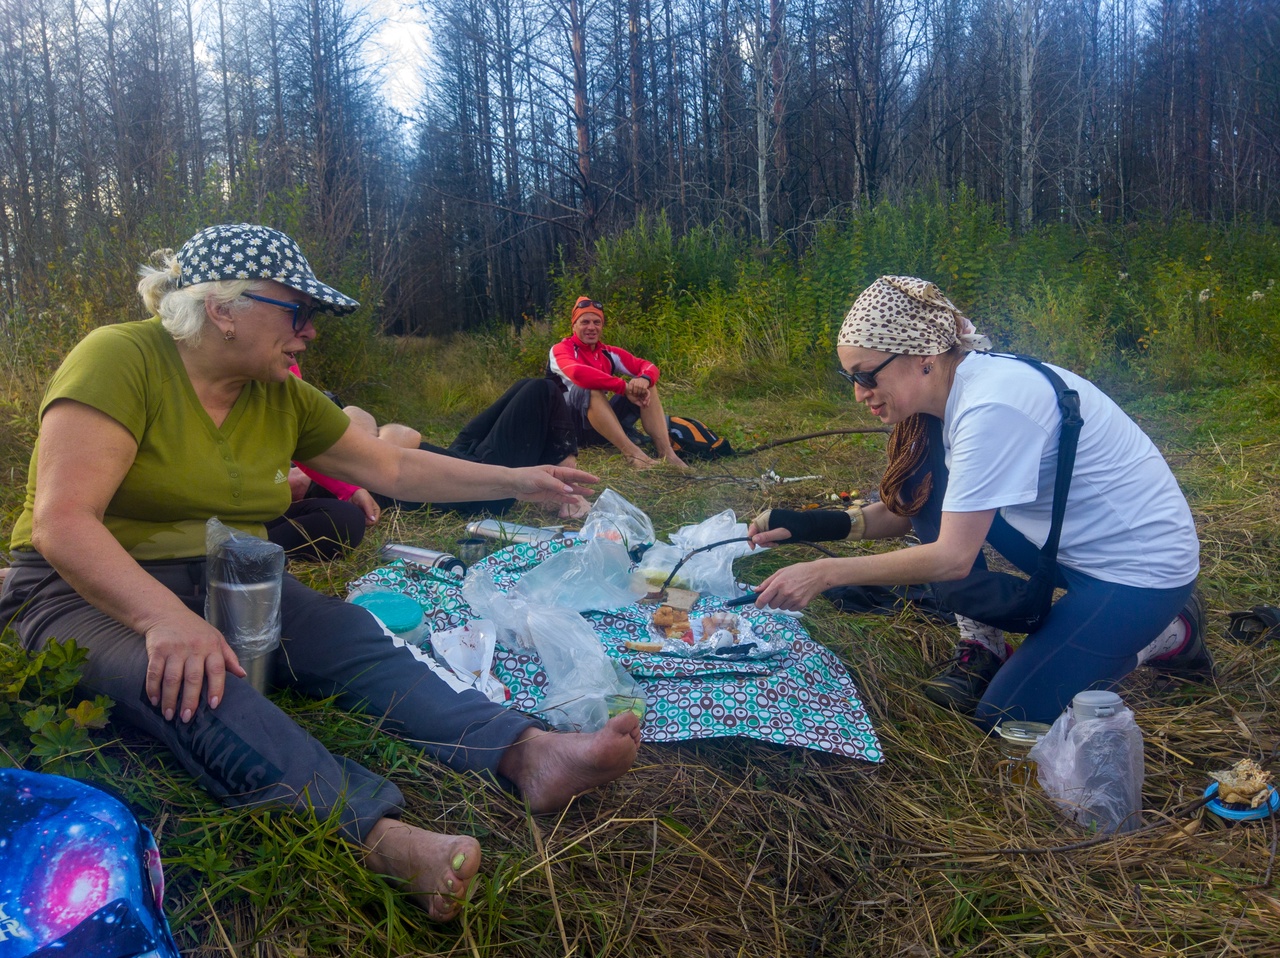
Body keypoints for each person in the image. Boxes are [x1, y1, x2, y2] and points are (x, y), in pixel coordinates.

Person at [0, 224, 641, 922]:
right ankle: (380, 836)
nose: (309, 334)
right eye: (298, 312)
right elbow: (64, 523)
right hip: (78, 589)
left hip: (220, 574)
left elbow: (391, 466)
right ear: (223, 308)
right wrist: (164, 619)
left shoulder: (276, 393)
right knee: (197, 678)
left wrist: (519, 479)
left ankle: (527, 752)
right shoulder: (120, 358)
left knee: (348, 634)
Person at [746, 275, 1210, 730]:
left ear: (922, 356)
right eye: (849, 376)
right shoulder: (951, 393)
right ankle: (985, 642)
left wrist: (824, 573)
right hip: (1068, 544)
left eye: (867, 374)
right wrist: (809, 526)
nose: (858, 391)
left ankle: (1170, 633)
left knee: (1009, 716)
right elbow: (913, 510)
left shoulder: (991, 406)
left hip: (1138, 570)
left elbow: (951, 557)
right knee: (935, 485)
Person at [547, 296, 688, 469]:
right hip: (568, 429)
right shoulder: (561, 349)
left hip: (599, 426)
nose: (591, 327)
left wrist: (643, 380)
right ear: (573, 325)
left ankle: (667, 454)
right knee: (590, 389)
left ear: (602, 326)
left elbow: (648, 366)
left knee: (647, 385)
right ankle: (633, 454)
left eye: (597, 322)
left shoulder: (608, 352)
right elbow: (578, 373)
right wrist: (623, 387)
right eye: (584, 322)